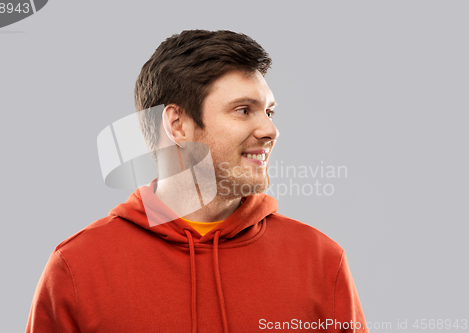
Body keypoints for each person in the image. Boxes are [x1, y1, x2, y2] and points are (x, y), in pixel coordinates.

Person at [26, 29, 368, 333]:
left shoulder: (321, 262)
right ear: (177, 125)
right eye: (243, 110)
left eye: (269, 111)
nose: (270, 130)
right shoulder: (77, 268)